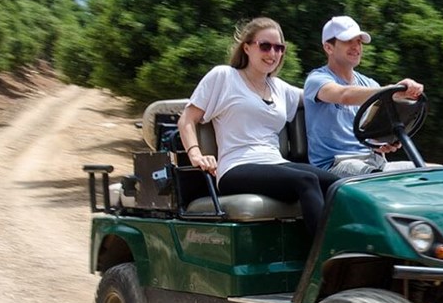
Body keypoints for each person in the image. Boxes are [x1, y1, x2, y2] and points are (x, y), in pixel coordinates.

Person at [177, 17, 338, 236]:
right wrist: (196, 155)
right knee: (306, 179)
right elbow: (187, 119)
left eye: (279, 48)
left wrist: (383, 96)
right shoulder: (224, 77)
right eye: (265, 46)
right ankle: (324, 261)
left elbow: (324, 96)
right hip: (236, 167)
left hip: (275, 164)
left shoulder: (280, 88)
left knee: (340, 185)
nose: (273, 54)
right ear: (247, 47)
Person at [304, 15, 425, 177]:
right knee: (375, 179)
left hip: (374, 162)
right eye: (348, 41)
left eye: (359, 42)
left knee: (434, 171)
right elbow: (344, 95)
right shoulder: (317, 80)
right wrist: (392, 91)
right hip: (336, 164)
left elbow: (374, 132)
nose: (356, 47)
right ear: (328, 48)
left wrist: (384, 142)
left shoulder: (370, 84)